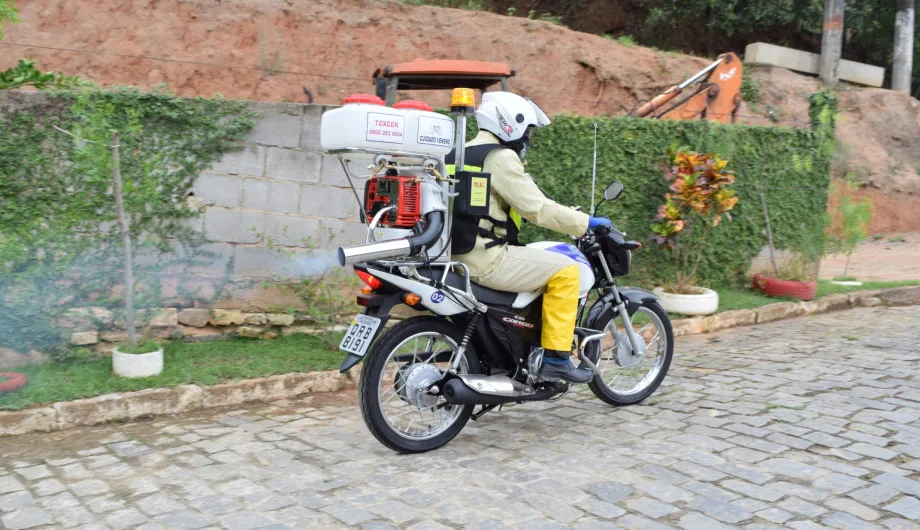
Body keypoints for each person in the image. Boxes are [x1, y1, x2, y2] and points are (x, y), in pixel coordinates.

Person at [446, 92, 612, 383]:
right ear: (512, 124)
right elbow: (537, 209)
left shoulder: (459, 152)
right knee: (566, 271)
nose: (528, 140)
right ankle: (556, 358)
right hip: (487, 259)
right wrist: (586, 222)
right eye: (528, 132)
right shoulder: (500, 158)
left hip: (454, 255)